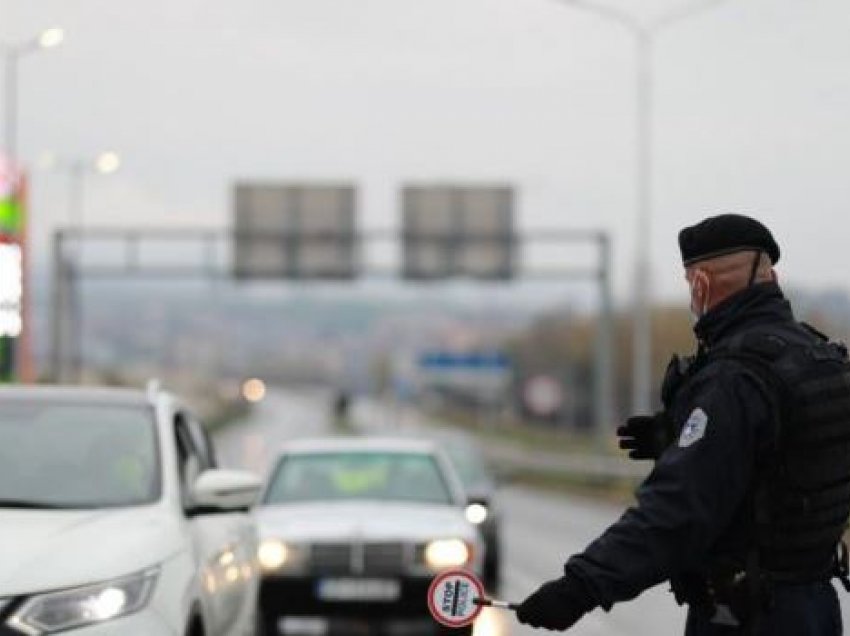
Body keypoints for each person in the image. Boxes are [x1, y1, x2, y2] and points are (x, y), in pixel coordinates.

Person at [516, 214, 850, 635]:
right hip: (816, 606)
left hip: (746, 614)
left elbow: (677, 511)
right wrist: (680, 437)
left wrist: (581, 586)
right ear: (772, 276)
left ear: (701, 285)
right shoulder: (818, 358)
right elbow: (789, 459)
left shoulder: (735, 377)